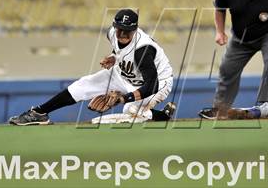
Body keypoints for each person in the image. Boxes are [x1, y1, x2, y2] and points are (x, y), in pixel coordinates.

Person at [9, 9, 176, 125]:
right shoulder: (111, 33)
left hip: (158, 83)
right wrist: (114, 57)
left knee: (130, 109)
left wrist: (123, 98)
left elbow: (151, 84)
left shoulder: (143, 50)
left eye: (128, 32)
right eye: (120, 30)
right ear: (114, 27)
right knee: (84, 84)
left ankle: (163, 116)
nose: (123, 35)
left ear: (136, 29)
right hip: (124, 74)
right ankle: (39, 113)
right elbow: (120, 50)